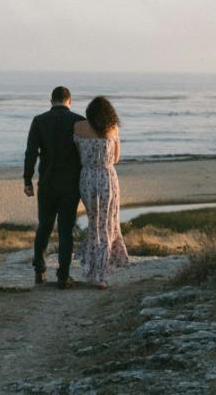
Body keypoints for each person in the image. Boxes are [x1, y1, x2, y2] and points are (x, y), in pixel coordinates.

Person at [23, 85, 84, 288]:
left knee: (45, 226)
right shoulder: (79, 121)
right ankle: (63, 276)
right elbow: (86, 154)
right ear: (70, 101)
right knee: (66, 230)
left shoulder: (39, 120)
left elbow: (31, 152)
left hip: (47, 183)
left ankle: (40, 270)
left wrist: (27, 180)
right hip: (71, 183)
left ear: (51, 101)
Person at [73, 96, 129, 288]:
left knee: (94, 222)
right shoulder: (112, 128)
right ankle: (100, 274)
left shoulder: (78, 127)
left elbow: (77, 154)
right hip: (106, 177)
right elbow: (116, 158)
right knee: (107, 224)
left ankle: (92, 268)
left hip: (86, 178)